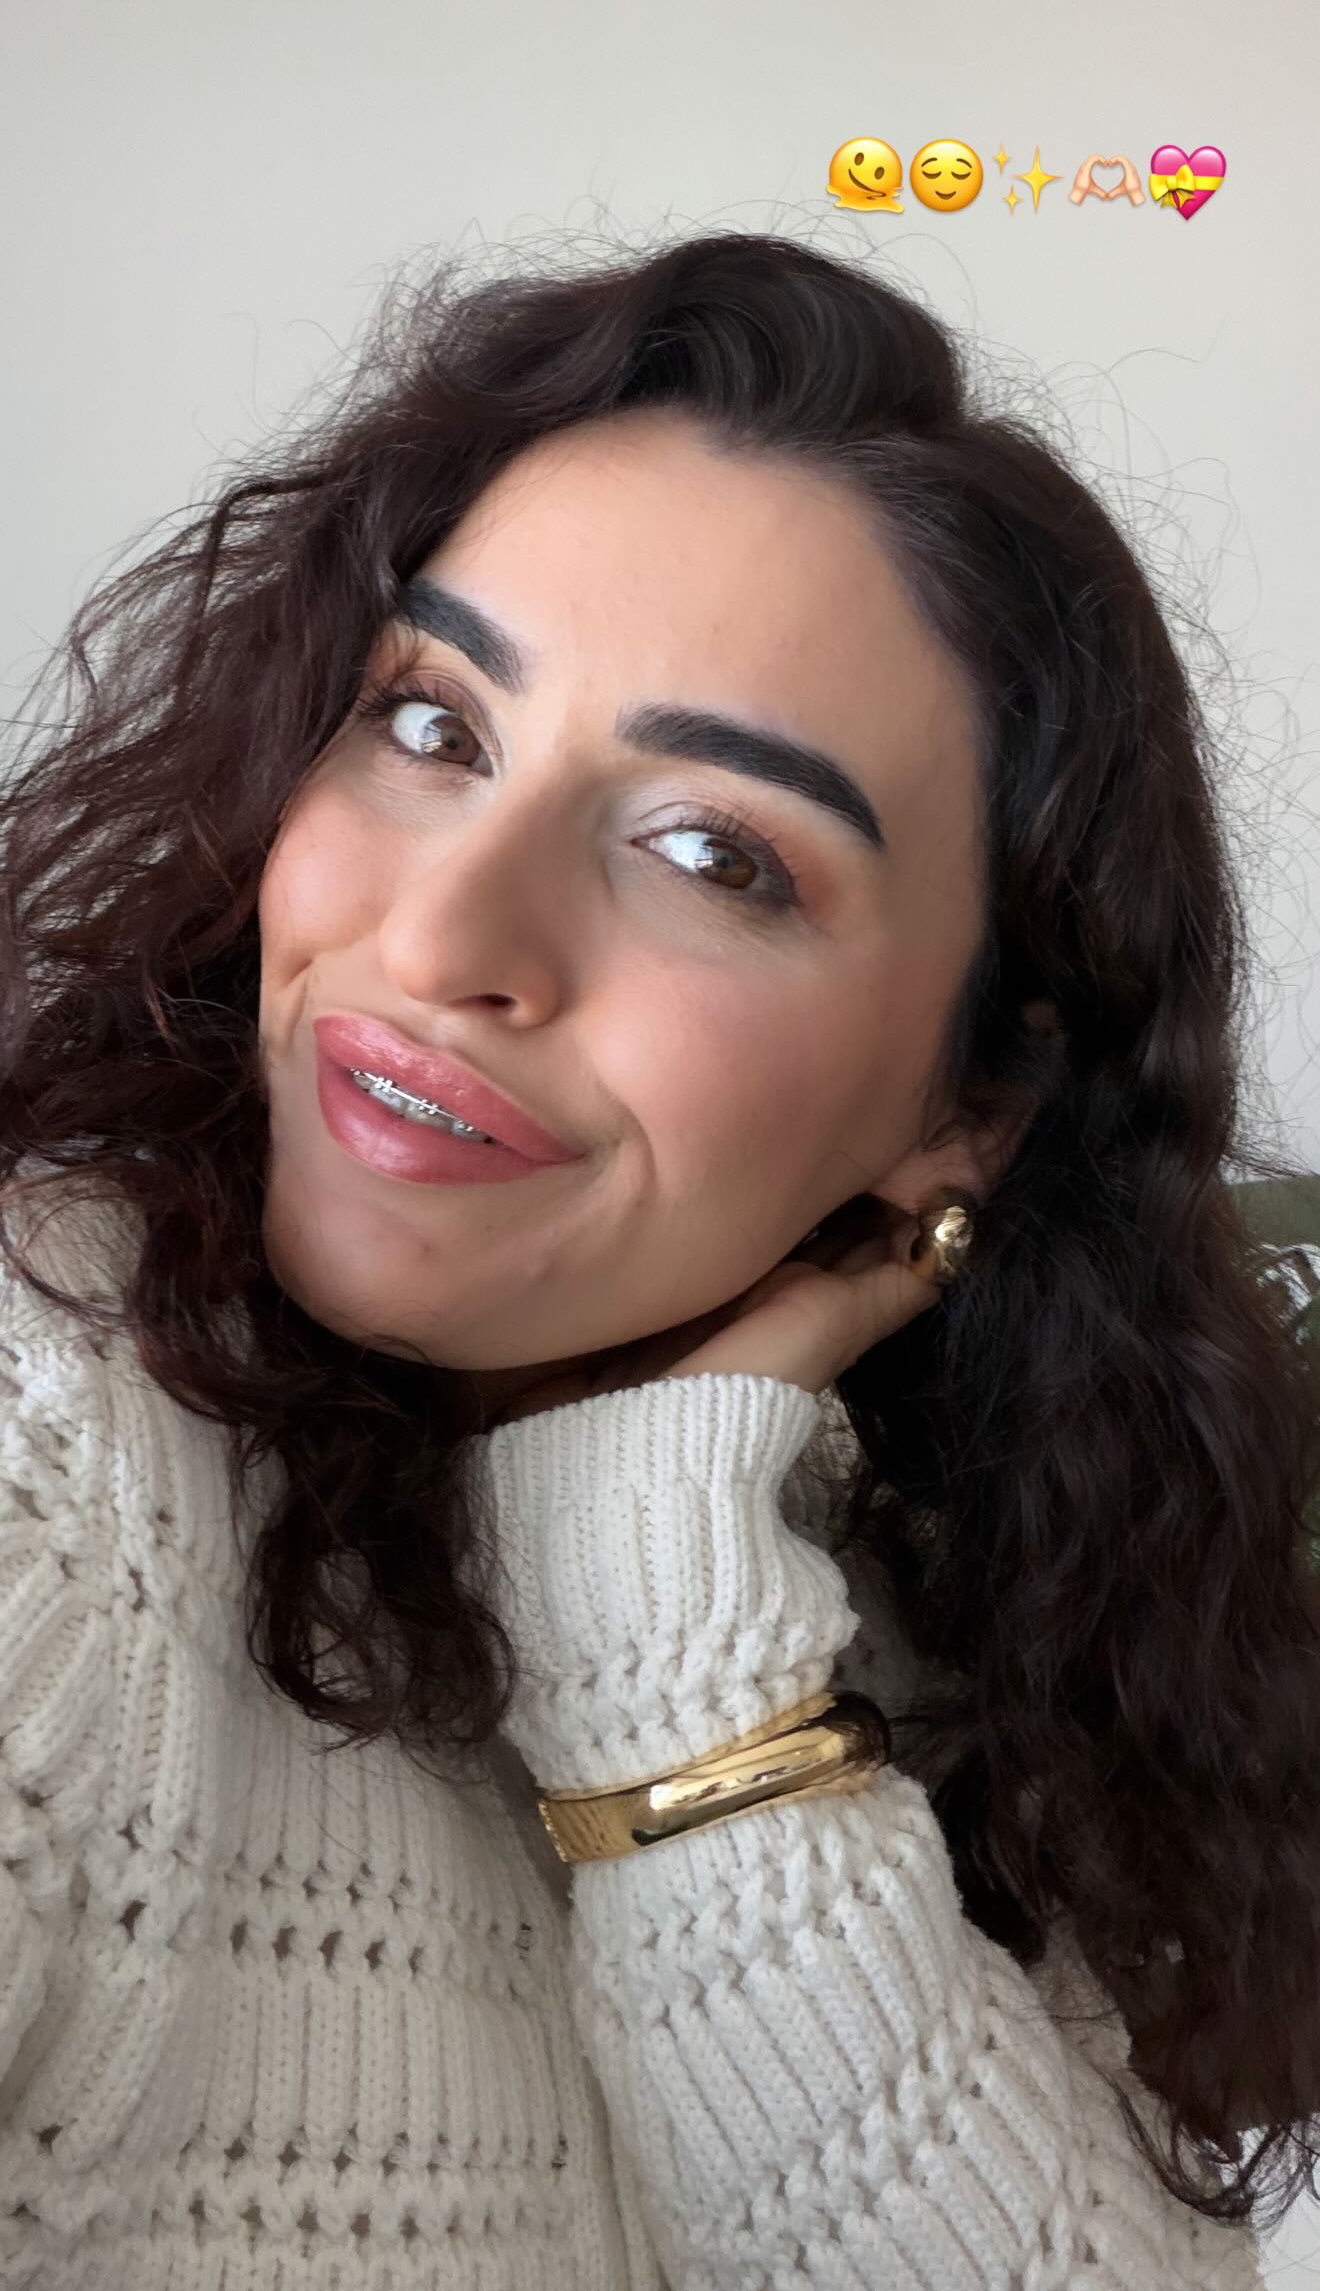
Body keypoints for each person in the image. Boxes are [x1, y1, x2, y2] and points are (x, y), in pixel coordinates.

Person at [2, 228, 1318, 2291]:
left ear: (965, 1105)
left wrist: (662, 1597)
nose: (441, 940)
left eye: (714, 852)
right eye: (432, 723)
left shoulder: (963, 1642)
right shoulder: (45, 1449)